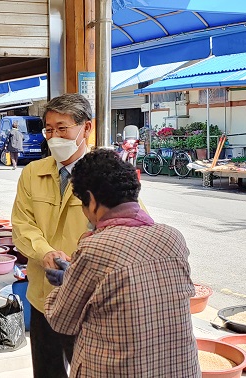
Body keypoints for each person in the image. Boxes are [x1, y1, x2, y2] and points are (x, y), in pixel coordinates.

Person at [44, 149, 200, 377]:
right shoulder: (173, 237)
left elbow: (61, 319)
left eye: (83, 205)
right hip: (178, 369)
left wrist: (66, 283)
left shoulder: (95, 248)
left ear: (93, 200)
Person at [11, 93, 93, 378]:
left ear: (86, 128)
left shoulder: (104, 173)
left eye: (62, 128)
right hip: (43, 296)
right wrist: (44, 252)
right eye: (49, 129)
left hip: (87, 300)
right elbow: (22, 224)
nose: (54, 136)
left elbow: (128, 228)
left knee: (90, 371)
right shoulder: (33, 173)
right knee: (47, 370)